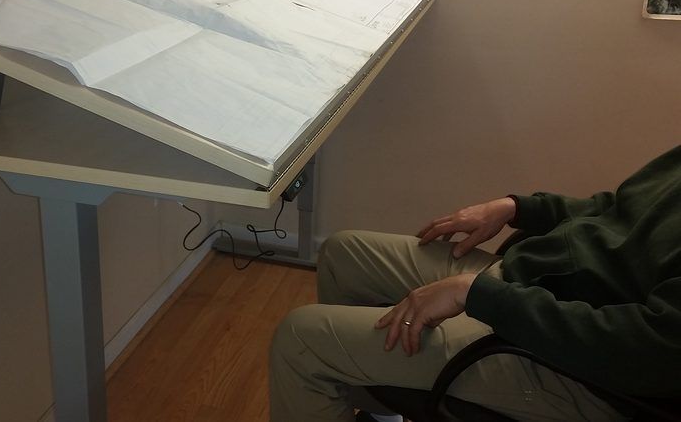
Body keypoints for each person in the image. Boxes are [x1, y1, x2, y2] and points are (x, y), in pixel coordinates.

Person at [270, 145, 681, 421]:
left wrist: (479, 295)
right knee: (344, 254)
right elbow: (618, 210)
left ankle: (359, 374)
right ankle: (376, 406)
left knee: (301, 340)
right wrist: (517, 207)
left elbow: (651, 354)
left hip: (572, 365)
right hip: (533, 287)